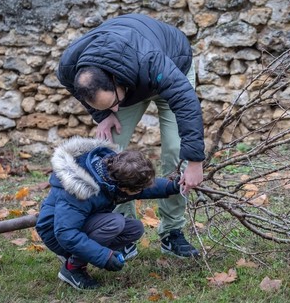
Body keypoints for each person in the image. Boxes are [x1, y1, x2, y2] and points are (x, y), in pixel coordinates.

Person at [56, 13, 205, 259]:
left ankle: (172, 231)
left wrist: (195, 161)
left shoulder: (152, 61)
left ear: (116, 80)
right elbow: (78, 90)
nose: (115, 109)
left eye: (114, 103)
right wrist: (101, 114)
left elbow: (186, 103)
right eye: (108, 106)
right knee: (109, 153)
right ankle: (122, 229)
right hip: (128, 77)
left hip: (172, 65)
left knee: (175, 151)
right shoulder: (69, 67)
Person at [35, 136, 182, 290]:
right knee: (114, 223)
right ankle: (73, 269)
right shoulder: (80, 189)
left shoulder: (110, 173)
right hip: (56, 233)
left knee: (135, 228)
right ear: (123, 187)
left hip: (79, 223)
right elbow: (66, 233)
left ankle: (80, 254)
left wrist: (171, 186)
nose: (141, 192)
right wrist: (104, 257)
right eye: (138, 190)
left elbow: (142, 187)